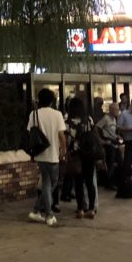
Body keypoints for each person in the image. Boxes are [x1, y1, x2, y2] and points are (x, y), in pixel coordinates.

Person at [26, 88, 67, 226]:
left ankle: (36, 210)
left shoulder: (34, 114)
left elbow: (30, 132)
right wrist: (64, 150)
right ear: (51, 101)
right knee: (51, 183)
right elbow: (61, 135)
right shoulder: (57, 114)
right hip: (53, 153)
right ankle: (49, 215)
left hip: (40, 153)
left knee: (46, 183)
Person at [65, 96, 98, 219]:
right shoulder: (88, 119)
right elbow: (93, 133)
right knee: (90, 182)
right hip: (89, 154)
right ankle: (91, 209)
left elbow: (67, 139)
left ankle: (80, 209)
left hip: (76, 155)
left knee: (78, 183)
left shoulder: (68, 122)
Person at [97, 103, 122, 189]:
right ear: (111, 110)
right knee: (110, 162)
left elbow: (112, 130)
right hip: (108, 143)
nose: (117, 111)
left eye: (117, 110)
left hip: (114, 141)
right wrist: (103, 139)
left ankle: (117, 181)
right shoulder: (106, 118)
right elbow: (98, 128)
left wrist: (117, 136)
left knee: (119, 161)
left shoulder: (114, 119)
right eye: (115, 110)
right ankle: (109, 183)